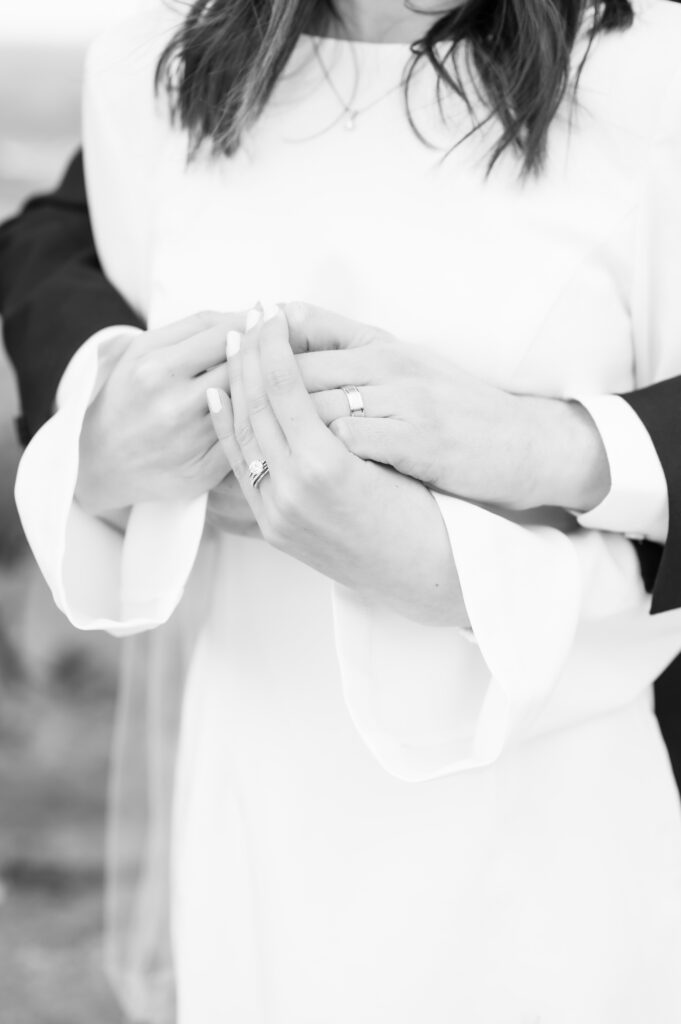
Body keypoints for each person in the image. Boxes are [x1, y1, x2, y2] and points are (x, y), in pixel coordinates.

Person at [10, 0, 681, 1019]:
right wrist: (97, 443)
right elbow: (57, 260)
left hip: (563, 838)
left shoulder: (652, 76)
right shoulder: (147, 74)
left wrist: (525, 461)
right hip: (257, 817)